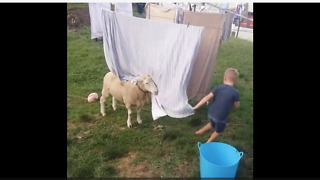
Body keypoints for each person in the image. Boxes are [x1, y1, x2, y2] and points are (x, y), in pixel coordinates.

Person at [193, 68, 240, 142]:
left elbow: (206, 98)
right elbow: (237, 106)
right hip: (220, 117)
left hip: (211, 113)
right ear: (235, 81)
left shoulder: (218, 88)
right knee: (219, 131)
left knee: (212, 123)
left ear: (224, 79)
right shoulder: (235, 92)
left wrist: (195, 107)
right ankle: (208, 142)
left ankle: (199, 132)